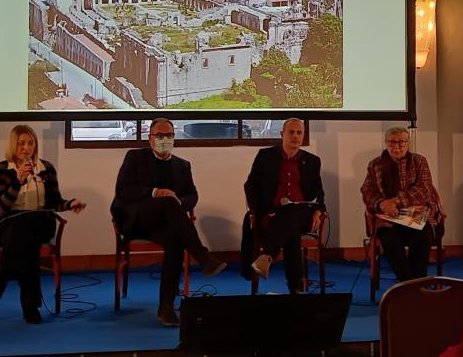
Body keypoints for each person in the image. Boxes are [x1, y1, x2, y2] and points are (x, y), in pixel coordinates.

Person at [110, 118, 226, 327]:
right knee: (167, 201)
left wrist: (179, 201)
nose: (165, 140)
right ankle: (202, 256)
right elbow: (123, 190)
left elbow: (192, 196)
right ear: (150, 139)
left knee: (175, 240)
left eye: (169, 136)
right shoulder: (135, 157)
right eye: (160, 136)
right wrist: (155, 192)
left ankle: (166, 306)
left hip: (164, 225)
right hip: (136, 220)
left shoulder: (182, 165)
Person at [0, 125, 85, 324]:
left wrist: (70, 204)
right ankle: (30, 307)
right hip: (9, 224)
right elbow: (1, 208)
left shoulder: (46, 168)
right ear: (13, 145)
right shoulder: (1, 169)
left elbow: (54, 202)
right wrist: (18, 181)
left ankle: (2, 277)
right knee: (26, 242)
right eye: (21, 143)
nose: (26, 148)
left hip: (41, 223)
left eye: (30, 143)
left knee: (28, 226)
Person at [245, 118, 326, 294]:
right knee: (291, 232)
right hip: (272, 216)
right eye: (291, 132)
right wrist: (259, 211)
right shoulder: (265, 156)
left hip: (303, 215)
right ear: (282, 134)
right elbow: (250, 186)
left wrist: (318, 211)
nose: (295, 137)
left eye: (299, 133)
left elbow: (319, 195)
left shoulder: (312, 161)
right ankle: (296, 288)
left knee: (292, 212)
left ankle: (267, 256)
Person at [360, 126, 444, 282]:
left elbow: (424, 189)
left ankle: (418, 281)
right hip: (388, 216)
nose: (397, 146)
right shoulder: (375, 164)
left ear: (408, 143)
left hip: (416, 213)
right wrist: (382, 204)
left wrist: (396, 201)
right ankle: (407, 283)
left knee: (423, 233)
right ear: (385, 143)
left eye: (401, 142)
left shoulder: (419, 161)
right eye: (392, 142)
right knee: (388, 236)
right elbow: (367, 191)